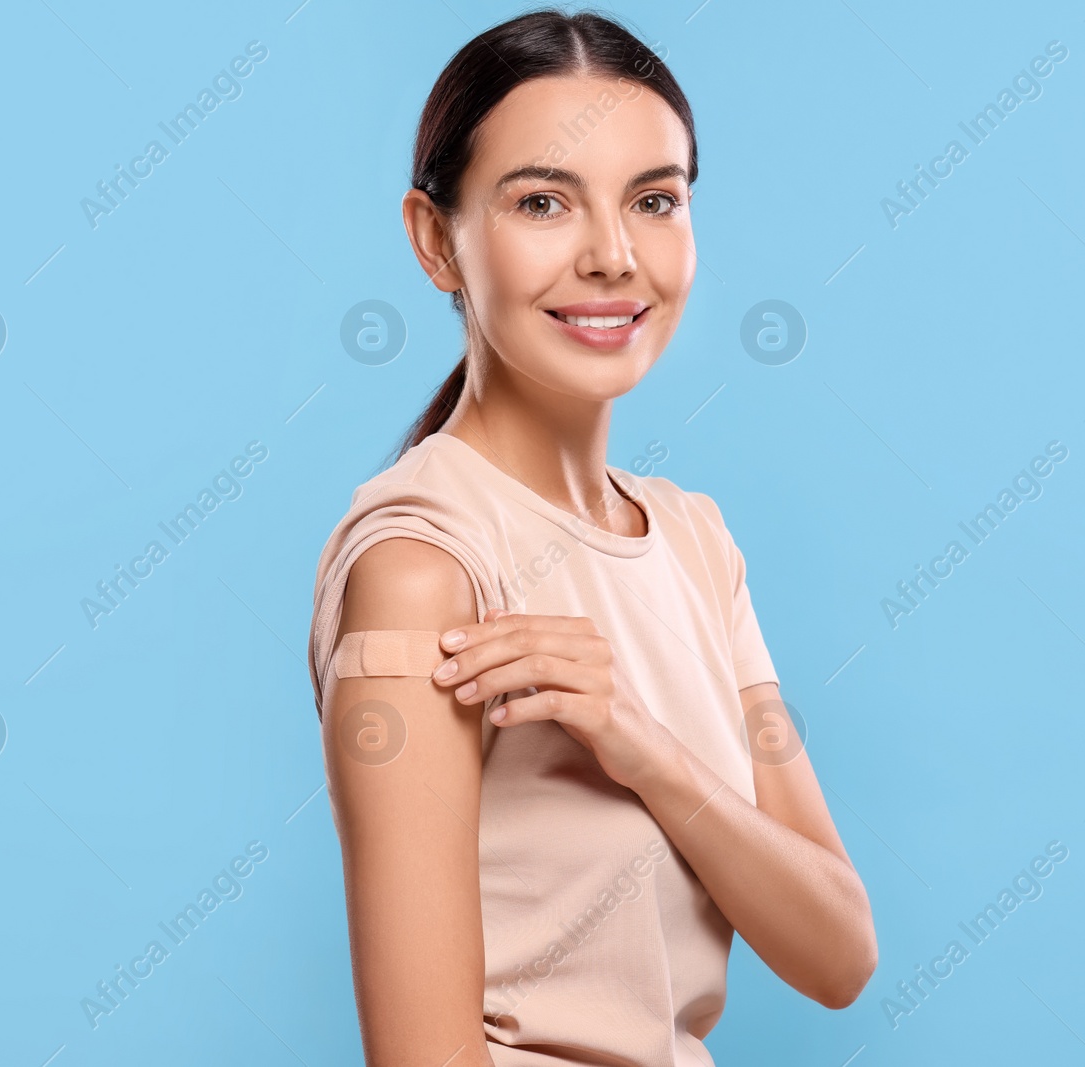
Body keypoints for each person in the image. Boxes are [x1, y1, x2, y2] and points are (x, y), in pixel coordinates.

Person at [308, 9, 876, 1065]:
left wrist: (639, 745)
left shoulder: (696, 543)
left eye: (654, 199)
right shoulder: (421, 568)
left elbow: (837, 949)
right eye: (541, 202)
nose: (613, 256)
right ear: (437, 240)